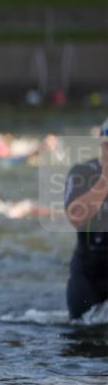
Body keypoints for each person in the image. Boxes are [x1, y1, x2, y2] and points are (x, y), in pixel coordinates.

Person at [64, 118, 108, 319]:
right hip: (89, 274)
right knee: (83, 338)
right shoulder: (82, 172)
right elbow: (76, 217)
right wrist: (105, 179)